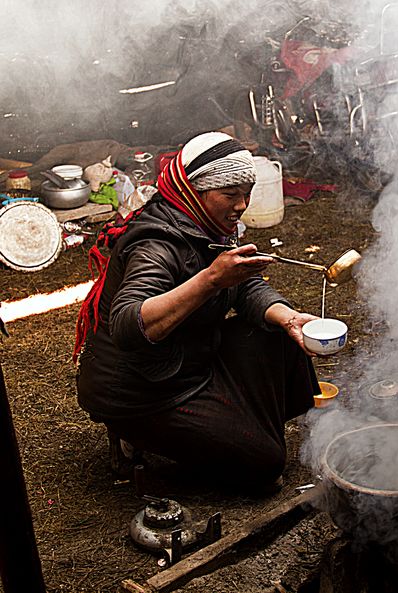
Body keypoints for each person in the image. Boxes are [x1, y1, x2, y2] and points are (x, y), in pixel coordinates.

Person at [73, 131, 321, 492]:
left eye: (246, 194)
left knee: (279, 335)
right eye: (230, 195)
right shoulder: (156, 244)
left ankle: (236, 428)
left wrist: (288, 317)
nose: (241, 205)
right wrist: (210, 280)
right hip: (142, 389)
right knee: (265, 464)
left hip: (186, 358)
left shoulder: (210, 226)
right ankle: (142, 446)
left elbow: (242, 283)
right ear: (197, 191)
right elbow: (128, 325)